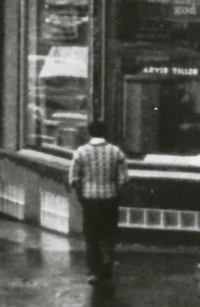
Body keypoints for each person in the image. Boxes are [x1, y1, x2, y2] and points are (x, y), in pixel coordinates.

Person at [66, 120, 128, 282]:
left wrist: (80, 194)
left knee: (91, 235)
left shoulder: (81, 152)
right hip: (110, 198)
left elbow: (73, 178)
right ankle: (108, 262)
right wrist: (117, 191)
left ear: (89, 132)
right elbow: (124, 178)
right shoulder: (116, 152)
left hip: (90, 199)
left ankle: (94, 270)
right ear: (105, 132)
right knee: (108, 233)